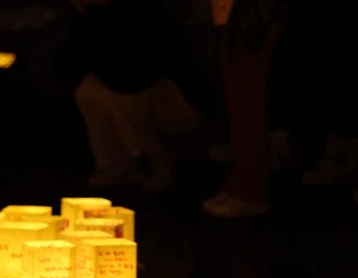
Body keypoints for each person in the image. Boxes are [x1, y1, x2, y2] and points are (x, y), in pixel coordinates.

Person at [56, 0, 212, 191]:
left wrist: (96, 16)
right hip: (130, 86)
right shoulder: (84, 16)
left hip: (176, 102)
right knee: (89, 89)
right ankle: (116, 165)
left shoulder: (143, 13)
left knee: (121, 88)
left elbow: (130, 73)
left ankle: (160, 158)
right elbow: (70, 68)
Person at [201, 0, 286, 218]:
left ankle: (251, 188)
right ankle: (241, 180)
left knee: (248, 102)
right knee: (238, 102)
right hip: (238, 21)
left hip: (252, 24)